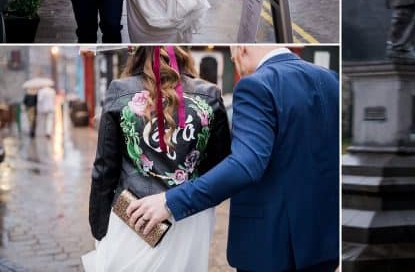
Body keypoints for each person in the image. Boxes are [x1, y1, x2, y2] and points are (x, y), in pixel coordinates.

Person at [127, 46, 340, 272]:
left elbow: (245, 165)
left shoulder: (256, 85)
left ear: (242, 48)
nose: (231, 57)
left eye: (232, 51)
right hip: (324, 243)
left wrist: (170, 201)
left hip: (272, 248)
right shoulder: (330, 80)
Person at [84, 46, 230, 271]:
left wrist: (100, 227)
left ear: (137, 51)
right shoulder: (210, 94)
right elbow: (219, 167)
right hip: (189, 218)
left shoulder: (119, 90)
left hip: (134, 216)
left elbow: (104, 169)